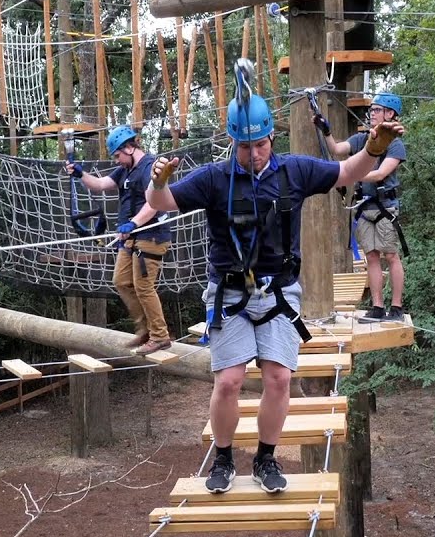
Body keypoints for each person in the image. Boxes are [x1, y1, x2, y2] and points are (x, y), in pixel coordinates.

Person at [145, 90, 404, 494]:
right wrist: (156, 182)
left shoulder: (294, 172)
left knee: (279, 377)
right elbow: (161, 202)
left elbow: (348, 172)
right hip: (229, 293)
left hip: (278, 290)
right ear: (234, 143)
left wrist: (373, 148)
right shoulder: (215, 178)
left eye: (262, 144)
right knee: (229, 380)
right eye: (246, 147)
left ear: (271, 139)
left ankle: (266, 457)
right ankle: (224, 456)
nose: (255, 154)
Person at [66, 125, 173, 356]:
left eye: (117, 155)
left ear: (130, 147)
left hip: (151, 235)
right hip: (130, 237)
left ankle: (160, 336)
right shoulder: (126, 169)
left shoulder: (149, 167)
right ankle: (146, 330)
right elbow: (101, 185)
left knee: (144, 286)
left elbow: (154, 203)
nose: (116, 160)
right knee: (121, 281)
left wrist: (134, 222)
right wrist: (81, 174)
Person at [315, 92, 408, 322]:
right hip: (365, 208)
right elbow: (336, 149)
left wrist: (349, 172)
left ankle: (396, 308)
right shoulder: (362, 140)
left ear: (390, 113)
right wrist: (326, 130)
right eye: (372, 110)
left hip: (385, 207)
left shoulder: (395, 145)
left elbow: (380, 174)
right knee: (372, 258)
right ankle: (377, 307)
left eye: (377, 110)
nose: (372, 113)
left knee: (391, 256)